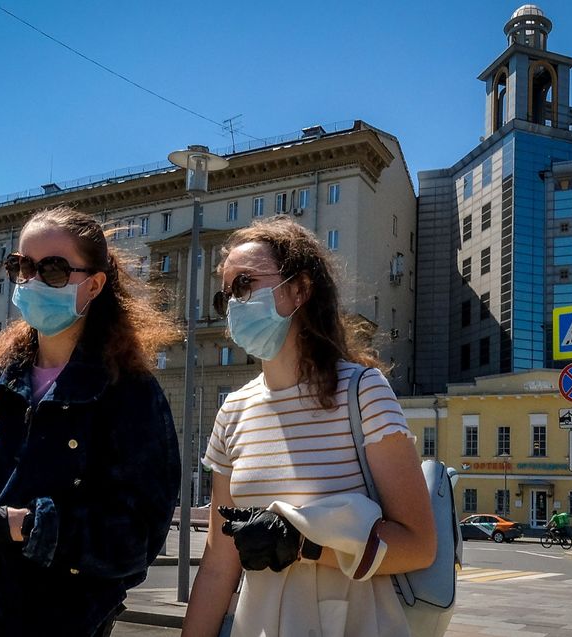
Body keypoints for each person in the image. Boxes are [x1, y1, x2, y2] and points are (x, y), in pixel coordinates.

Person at [0, 206, 182, 637]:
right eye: (20, 267)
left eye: (53, 269)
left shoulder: (128, 391)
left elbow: (136, 540)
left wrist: (16, 525)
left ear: (93, 285)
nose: (32, 281)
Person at [182, 217, 436, 637]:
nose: (233, 304)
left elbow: (419, 545)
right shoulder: (234, 411)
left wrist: (304, 545)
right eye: (224, 295)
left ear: (300, 289)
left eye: (245, 284)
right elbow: (217, 565)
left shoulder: (362, 391)